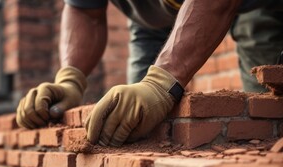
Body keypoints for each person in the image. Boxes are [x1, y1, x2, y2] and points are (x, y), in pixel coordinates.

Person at [16, 0, 283, 147]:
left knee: (266, 111)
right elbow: (85, 11)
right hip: (151, 17)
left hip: (256, 6)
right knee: (135, 124)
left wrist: (162, 82)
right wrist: (70, 79)